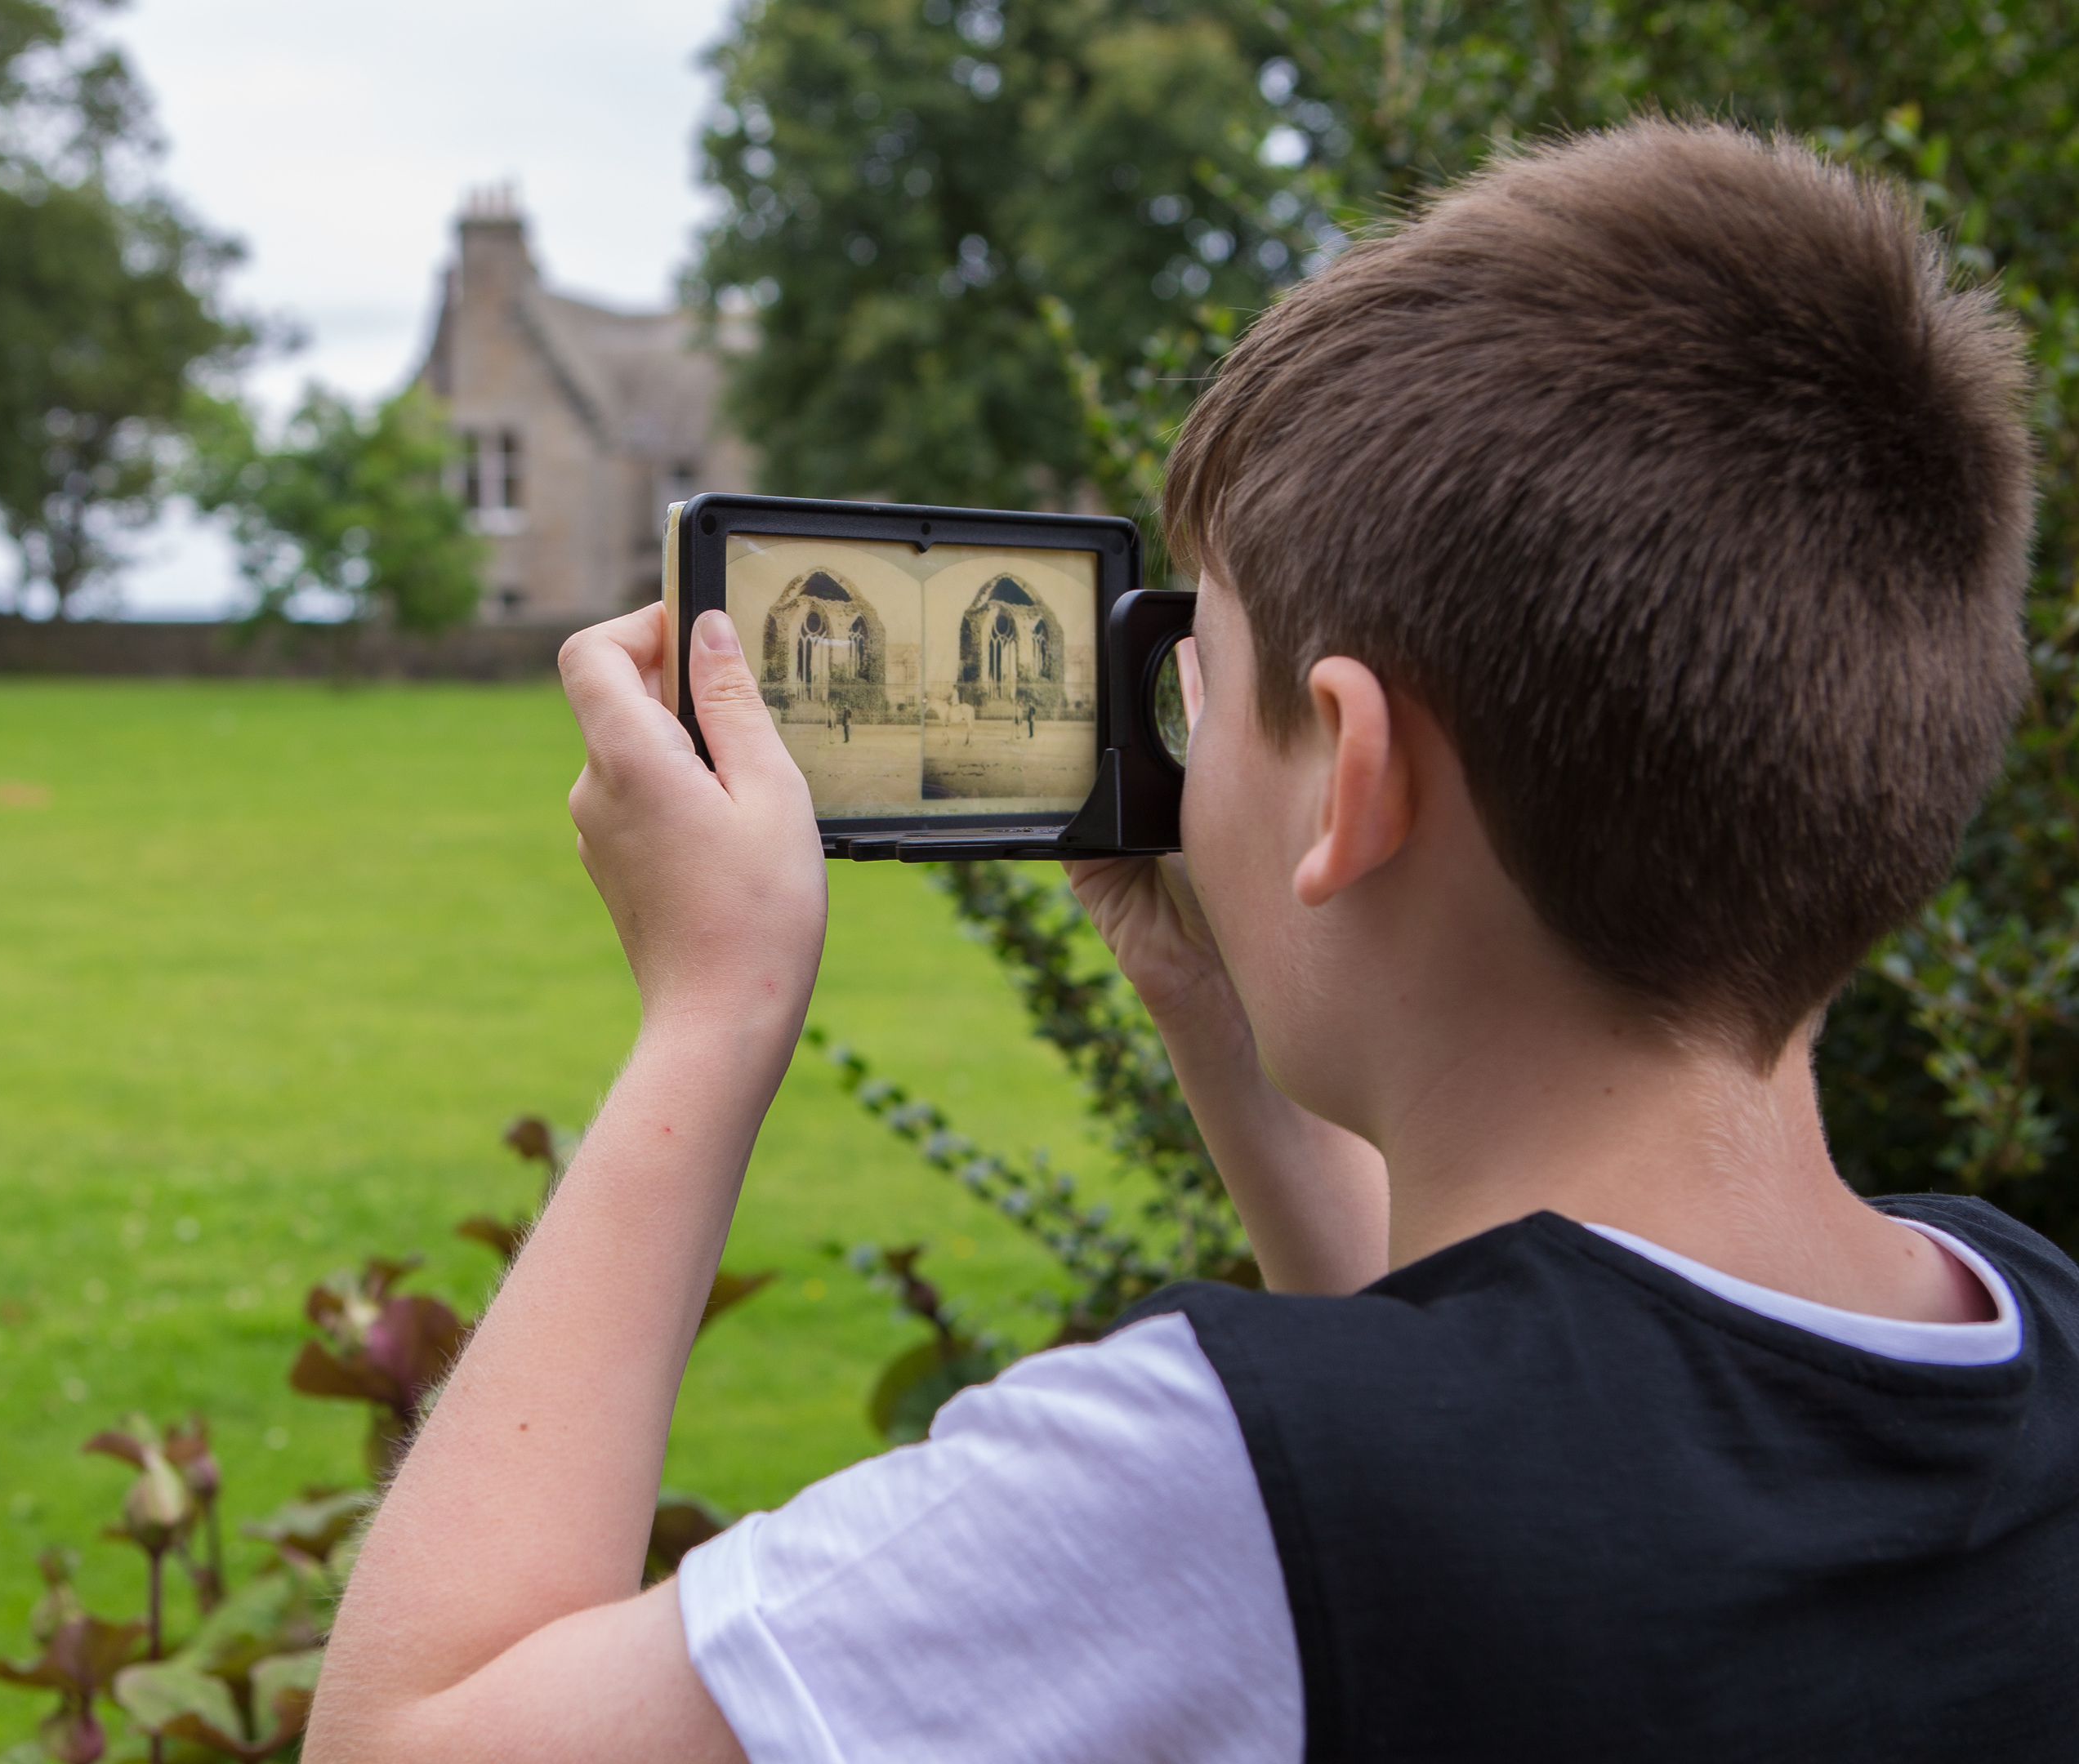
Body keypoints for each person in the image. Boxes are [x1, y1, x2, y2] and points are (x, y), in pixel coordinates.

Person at [302, 121, 2079, 1762]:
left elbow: (407, 1744)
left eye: (1200, 677)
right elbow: (1532, 1423)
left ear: (1349, 776)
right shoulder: (2020, 1332)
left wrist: (715, 1012)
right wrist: (1220, 1012)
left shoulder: (1198, 1482)